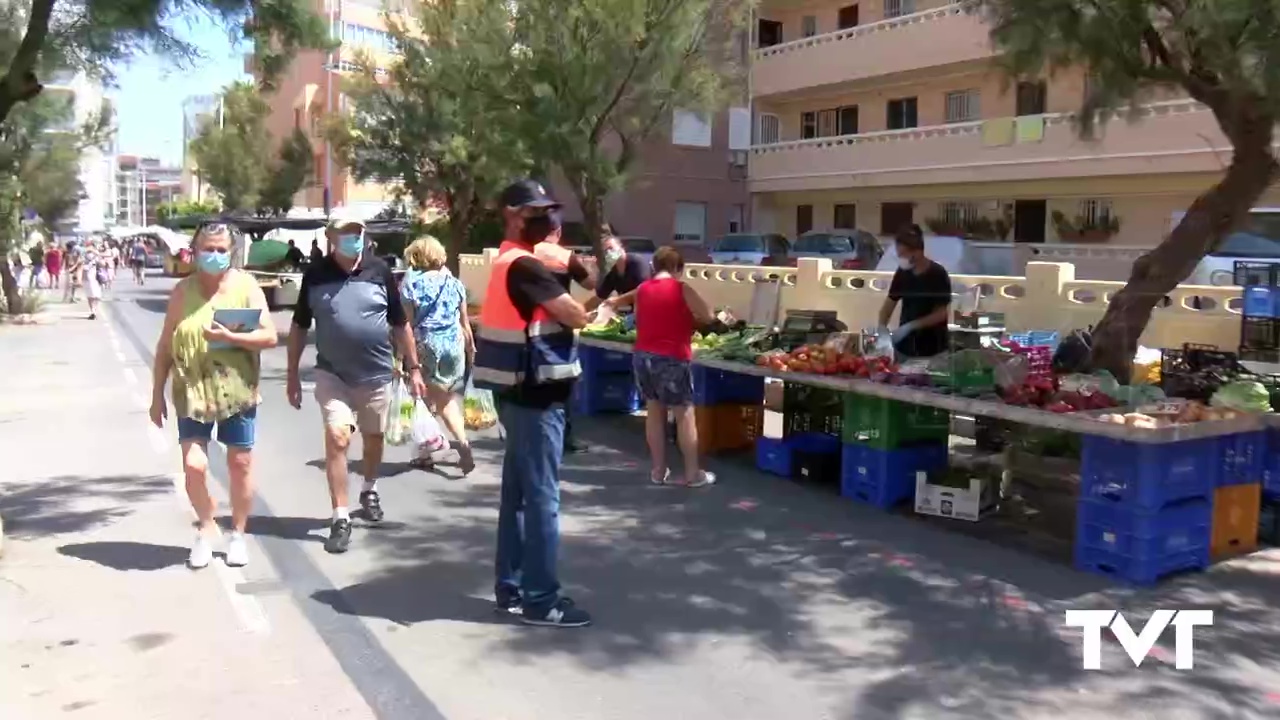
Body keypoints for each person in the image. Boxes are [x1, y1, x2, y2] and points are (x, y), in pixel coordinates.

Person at [473, 179, 592, 628]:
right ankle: (541, 599)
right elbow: (574, 313)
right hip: (537, 397)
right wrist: (592, 304)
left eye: (546, 211)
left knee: (519, 497)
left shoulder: (508, 261)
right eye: (533, 212)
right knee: (542, 499)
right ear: (511, 215)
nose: (543, 219)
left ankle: (511, 587)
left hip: (518, 393)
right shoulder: (524, 266)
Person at [286, 218, 426, 554]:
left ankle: (369, 487)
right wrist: (291, 374)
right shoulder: (316, 275)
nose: (354, 239)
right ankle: (340, 517)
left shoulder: (379, 271)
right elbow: (299, 325)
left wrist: (415, 368)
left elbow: (400, 324)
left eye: (358, 233)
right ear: (330, 237)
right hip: (333, 375)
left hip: (377, 375)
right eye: (346, 233)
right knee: (338, 438)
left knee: (373, 438)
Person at [148, 223, 278, 569]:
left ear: (231, 252)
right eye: (209, 249)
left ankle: (237, 533)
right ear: (196, 250)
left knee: (240, 464)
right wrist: (156, 395)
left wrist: (233, 337)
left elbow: (269, 336)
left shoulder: (245, 286)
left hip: (237, 389)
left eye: (222, 250)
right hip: (191, 390)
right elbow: (164, 346)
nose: (215, 255)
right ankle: (206, 528)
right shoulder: (182, 292)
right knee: (194, 465)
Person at [624, 246, 717, 487]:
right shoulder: (681, 288)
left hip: (643, 356)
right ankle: (692, 473)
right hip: (672, 357)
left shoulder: (642, 289)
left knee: (654, 412)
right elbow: (708, 315)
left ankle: (658, 470)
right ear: (679, 268)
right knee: (684, 414)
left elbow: (644, 316)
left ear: (654, 267)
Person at [400, 235, 476, 474]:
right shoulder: (454, 282)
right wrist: (471, 349)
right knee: (444, 398)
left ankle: (458, 444)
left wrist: (399, 355)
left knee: (430, 401)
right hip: (454, 345)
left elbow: (406, 325)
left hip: (427, 345)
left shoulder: (411, 283)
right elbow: (464, 323)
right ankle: (427, 452)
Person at [532, 213, 596, 456]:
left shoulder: (525, 253)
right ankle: (566, 437)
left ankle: (535, 433)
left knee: (532, 380)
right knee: (564, 383)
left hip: (527, 325)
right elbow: (591, 284)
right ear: (557, 232)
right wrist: (589, 264)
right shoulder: (564, 256)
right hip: (559, 325)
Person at [877, 224, 952, 358]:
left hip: (933, 348)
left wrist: (911, 326)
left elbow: (941, 314)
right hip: (905, 348)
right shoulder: (902, 273)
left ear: (916, 252)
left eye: (903, 255)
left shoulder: (938, 274)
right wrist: (882, 329)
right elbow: (889, 304)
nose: (900, 259)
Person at [583, 234, 649, 312]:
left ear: (621, 248)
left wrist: (618, 300)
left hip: (649, 309)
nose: (608, 253)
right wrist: (582, 309)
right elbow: (599, 297)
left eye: (611, 248)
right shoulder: (614, 273)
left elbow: (644, 290)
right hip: (635, 312)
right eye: (606, 251)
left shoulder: (637, 263)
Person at [82, 243, 103, 320]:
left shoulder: (87, 256)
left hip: (91, 278)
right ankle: (94, 311)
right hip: (92, 278)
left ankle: (93, 311)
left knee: (92, 296)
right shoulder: (86, 256)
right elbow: (103, 264)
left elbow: (102, 264)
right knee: (94, 296)